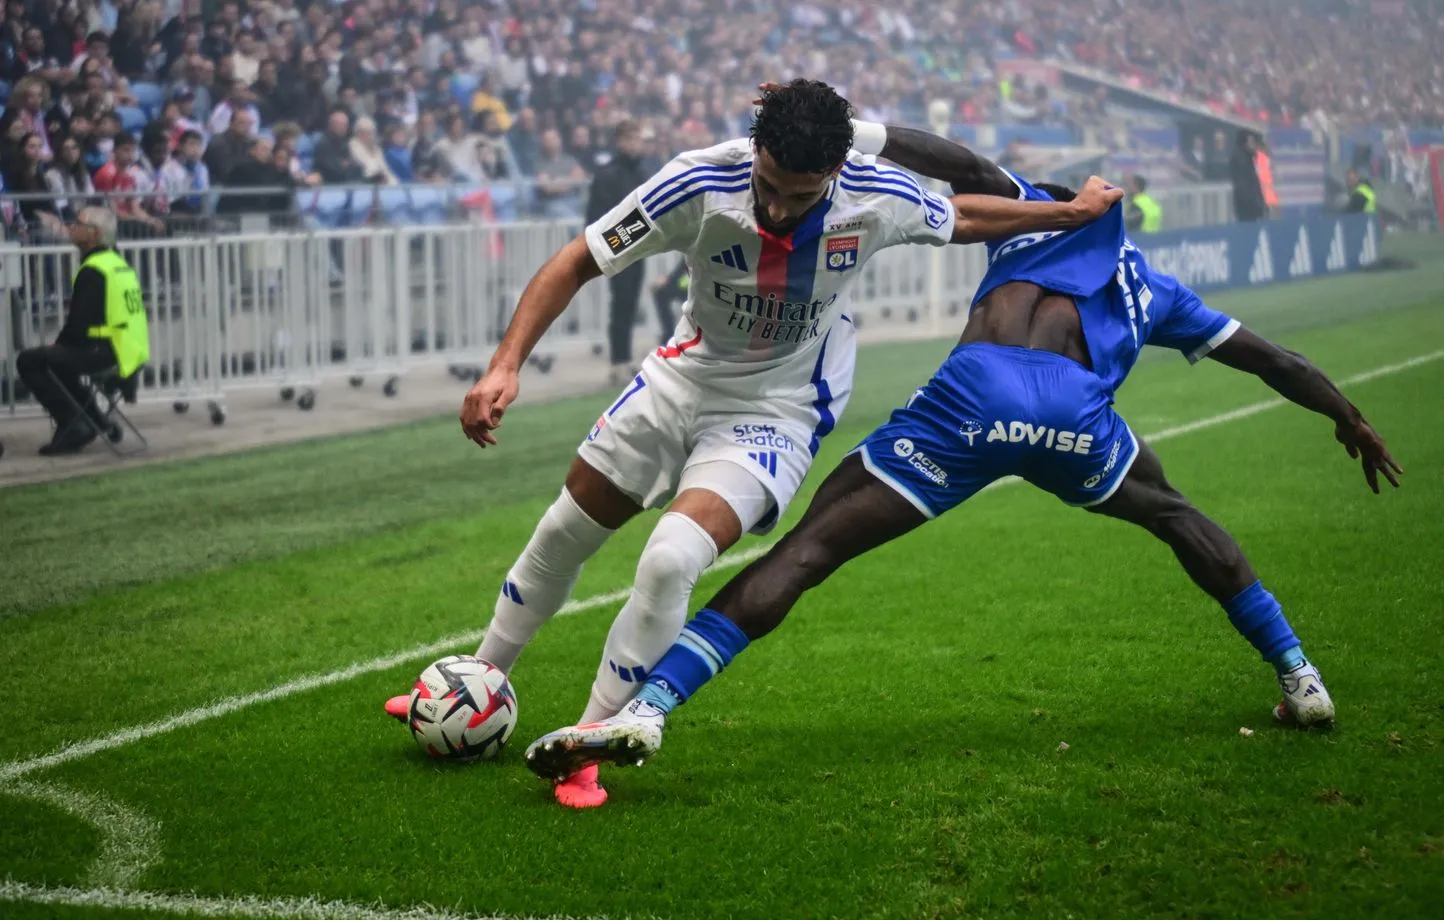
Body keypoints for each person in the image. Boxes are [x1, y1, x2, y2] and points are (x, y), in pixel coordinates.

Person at [523, 121, 1401, 790]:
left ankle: (649, 708)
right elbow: (1274, 360)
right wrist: (1348, 416)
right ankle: (1298, 673)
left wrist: (858, 131)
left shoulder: (1032, 214)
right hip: (1073, 419)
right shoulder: (1159, 290)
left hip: (972, 400)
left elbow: (965, 168)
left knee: (809, 549)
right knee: (1175, 516)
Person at [383, 79, 1121, 809]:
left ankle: (588, 744)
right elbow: (579, 258)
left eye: (800, 196)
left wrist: (1067, 213)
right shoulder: (700, 181)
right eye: (768, 184)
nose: (776, 207)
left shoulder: (876, 194)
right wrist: (504, 364)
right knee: (566, 530)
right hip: (681, 380)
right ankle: (472, 686)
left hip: (774, 410)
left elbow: (960, 215)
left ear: (835, 171)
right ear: (756, 150)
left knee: (672, 559)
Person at [16, 207, 147, 455]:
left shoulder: (94, 269)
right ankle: (96, 420)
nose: (71, 227)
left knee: (30, 360)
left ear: (94, 234)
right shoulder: (118, 263)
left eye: (78, 223)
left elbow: (79, 323)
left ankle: (74, 425)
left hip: (105, 351)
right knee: (58, 361)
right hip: (129, 351)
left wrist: (57, 346)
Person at [584, 121, 651, 384]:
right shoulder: (607, 174)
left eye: (638, 138)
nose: (635, 144)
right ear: (620, 140)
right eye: (630, 138)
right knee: (620, 305)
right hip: (617, 247)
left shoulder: (643, 173)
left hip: (638, 248)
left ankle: (625, 358)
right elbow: (596, 214)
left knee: (631, 305)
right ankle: (618, 361)